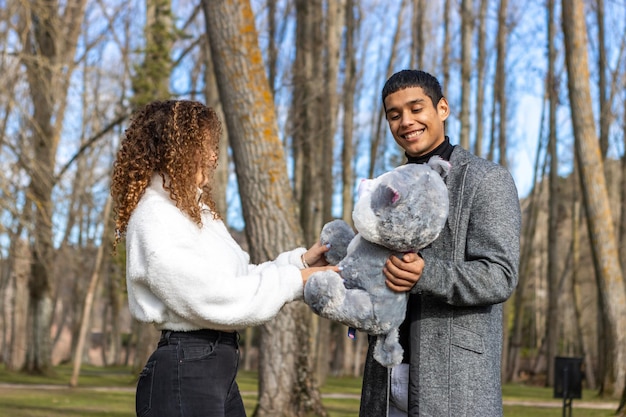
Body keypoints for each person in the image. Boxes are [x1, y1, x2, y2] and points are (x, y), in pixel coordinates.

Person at [110, 99, 338, 417]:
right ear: (177, 150)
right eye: (204, 146)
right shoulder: (155, 217)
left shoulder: (195, 213)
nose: (214, 155)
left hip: (214, 368)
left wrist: (299, 264)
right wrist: (296, 281)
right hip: (185, 370)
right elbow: (212, 297)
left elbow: (238, 280)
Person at [359, 70, 521, 416]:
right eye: (394, 114)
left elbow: (499, 275)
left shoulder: (486, 179)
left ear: (442, 108)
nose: (406, 122)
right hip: (383, 378)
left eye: (416, 109)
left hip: (455, 384)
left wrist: (425, 275)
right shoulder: (384, 189)